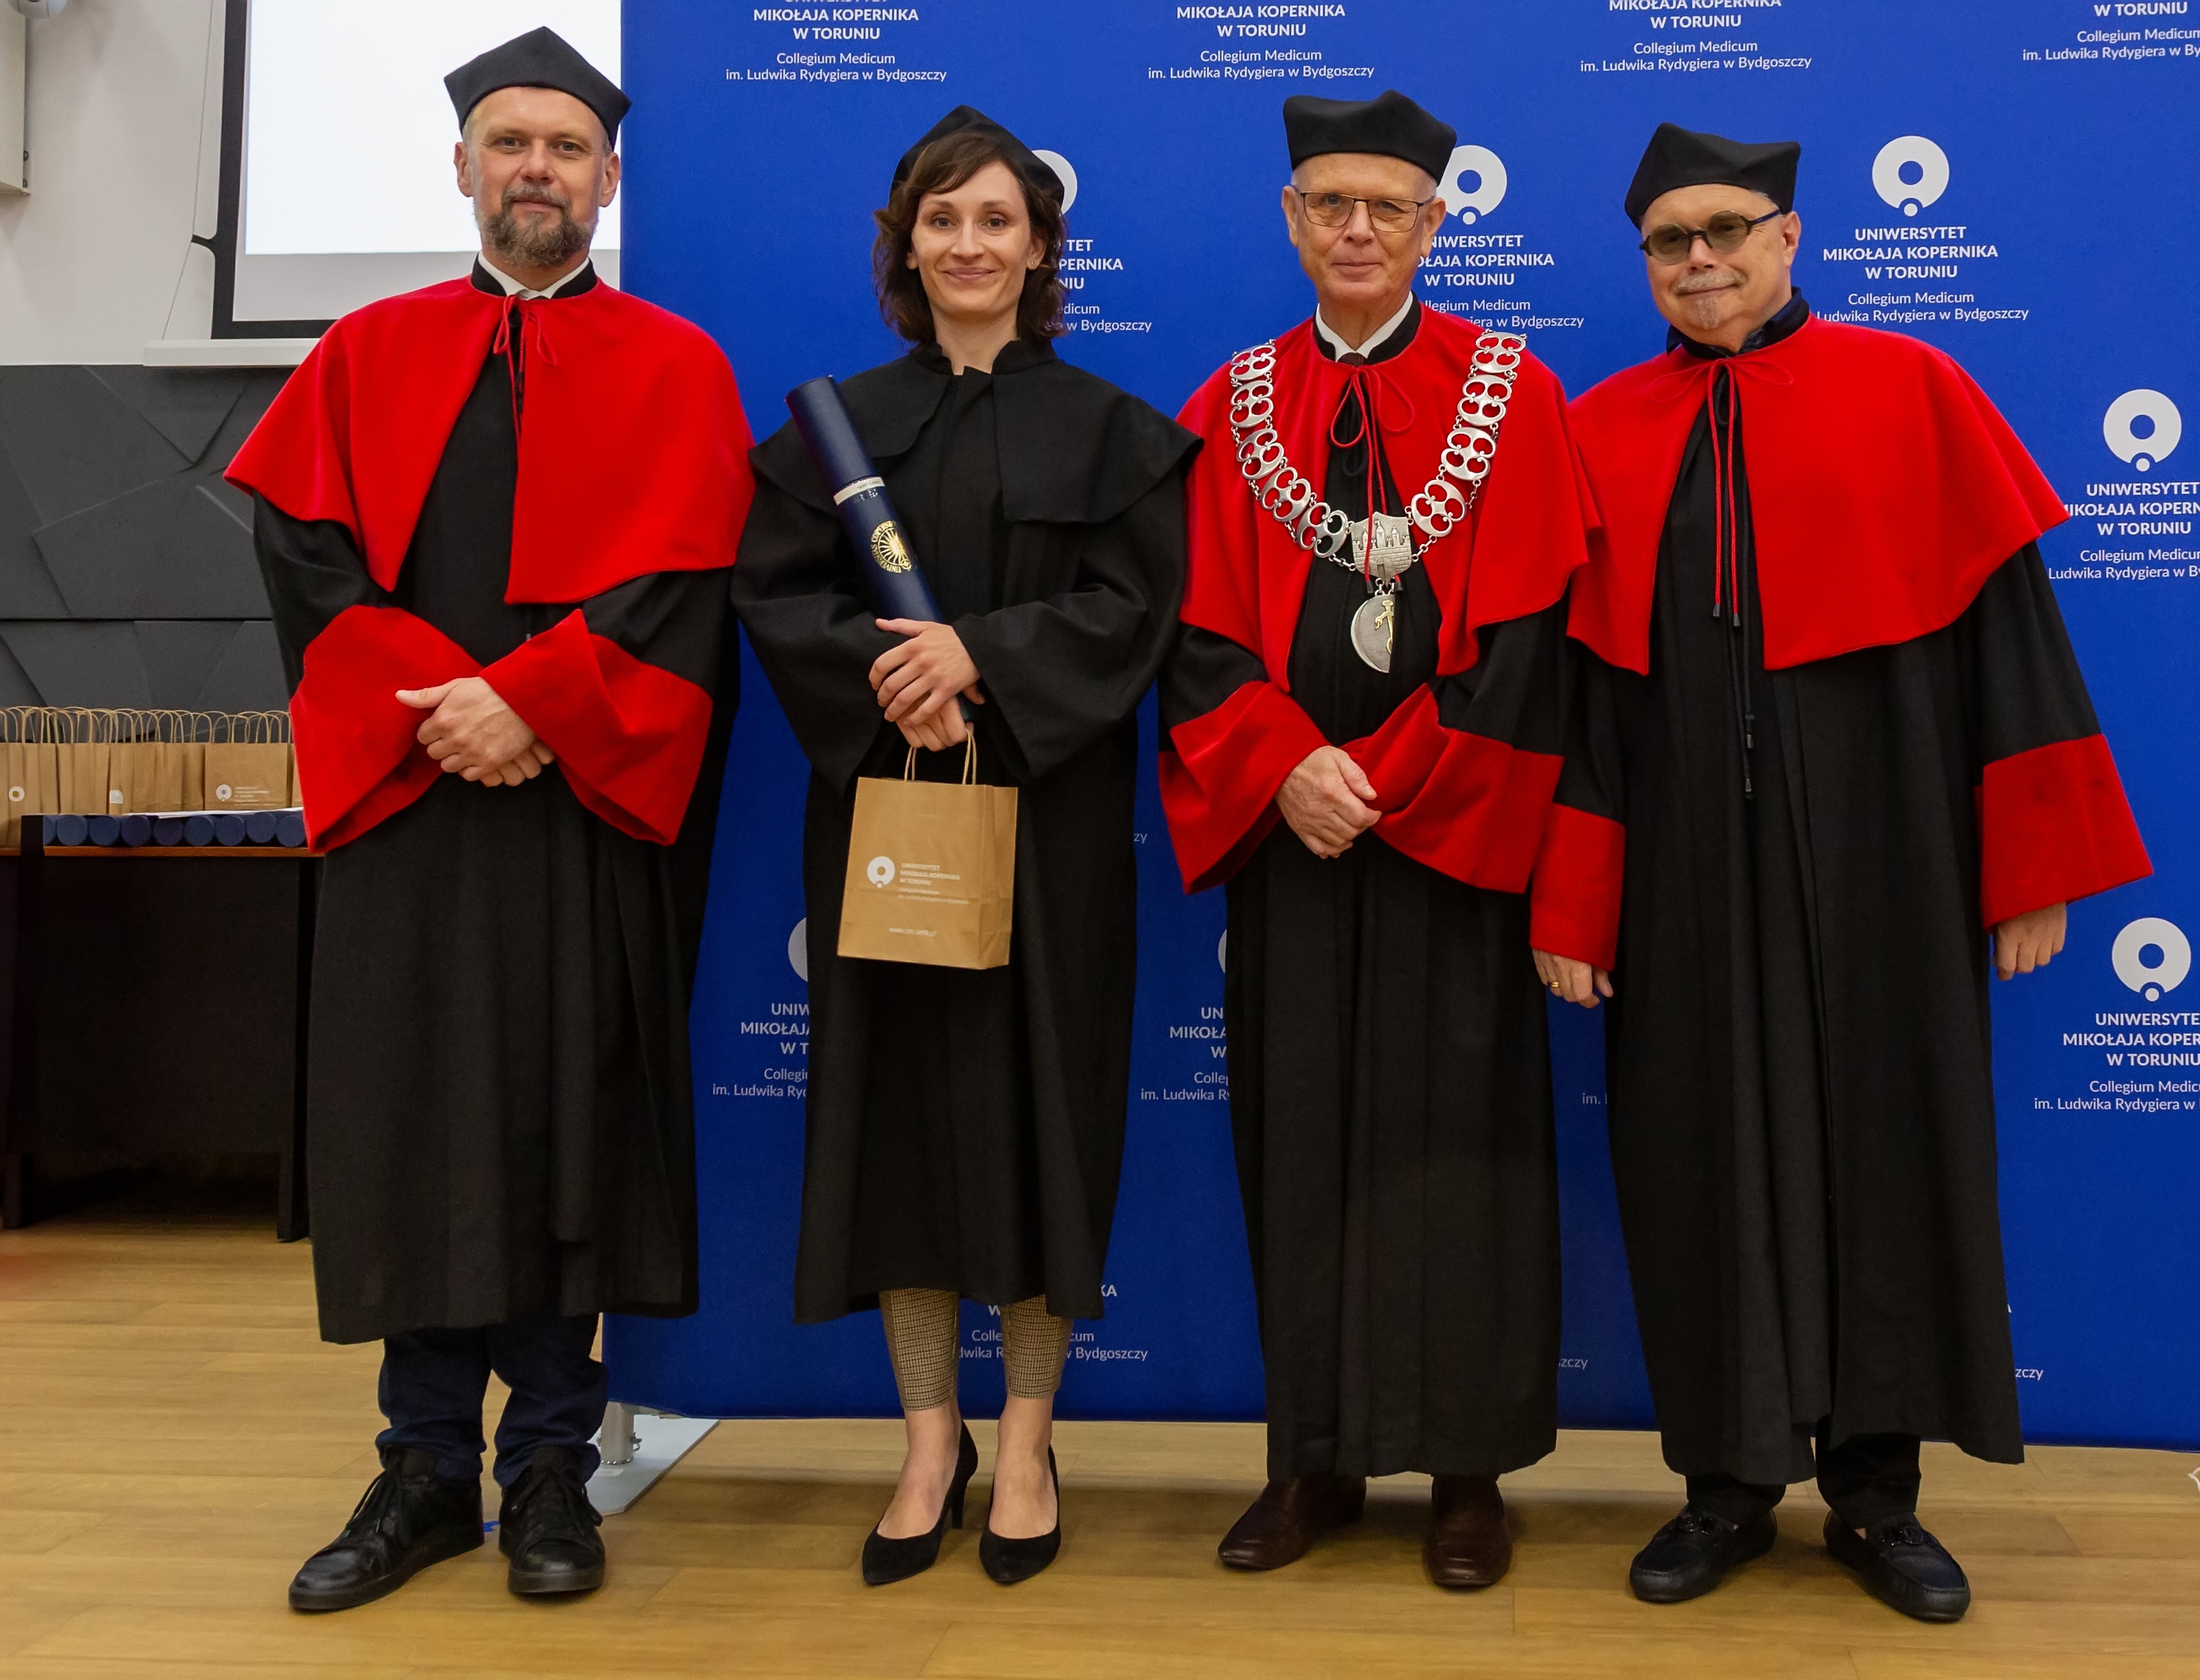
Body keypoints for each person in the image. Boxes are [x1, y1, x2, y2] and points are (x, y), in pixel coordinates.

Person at [1557, 124, 2153, 1623]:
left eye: (1726, 230)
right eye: (1670, 241)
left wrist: (2031, 867)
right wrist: (1574, 897)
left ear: (1791, 237)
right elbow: (1575, 700)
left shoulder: (1914, 389)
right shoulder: (1602, 427)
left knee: (1891, 1148)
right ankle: (1725, 1483)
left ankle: (1878, 1498)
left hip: (1892, 854)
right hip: (1685, 869)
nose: (1700, 259)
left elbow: (2014, 644)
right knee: (1694, 1157)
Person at [226, 29, 752, 1611]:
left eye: (565, 147)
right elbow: (307, 564)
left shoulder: (675, 366)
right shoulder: (363, 352)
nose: (537, 168)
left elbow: (680, 598)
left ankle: (549, 1468)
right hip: (411, 811)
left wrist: (533, 705)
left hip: (580, 812)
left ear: (609, 178)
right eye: (510, 142)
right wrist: (439, 710)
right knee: (416, 1118)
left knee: (569, 1117)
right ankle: (421, 1468)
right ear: (463, 166)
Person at [734, 106, 1196, 1589]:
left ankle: (1031, 1436)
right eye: (942, 219)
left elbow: (1136, 610)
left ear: (1042, 246)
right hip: (890, 816)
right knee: (901, 1130)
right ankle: (929, 1440)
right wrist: (897, 675)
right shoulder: (835, 429)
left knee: (1047, 1119)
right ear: (906, 243)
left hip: (1051, 831)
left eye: (997, 219)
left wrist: (981, 657)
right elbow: (779, 599)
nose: (969, 244)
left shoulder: (1115, 430)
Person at [1158, 91, 1613, 1591]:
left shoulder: (1511, 391)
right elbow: (1192, 636)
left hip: (1451, 840)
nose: (1358, 229)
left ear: (1435, 221)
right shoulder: (1231, 402)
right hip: (1291, 838)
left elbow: (1533, 638)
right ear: (1291, 220)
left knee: (1462, 1149)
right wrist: (1285, 766)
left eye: (1389, 207)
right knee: (1296, 1137)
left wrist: (1390, 777)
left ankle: (1468, 1468)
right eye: (1330, 204)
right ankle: (1313, 1456)